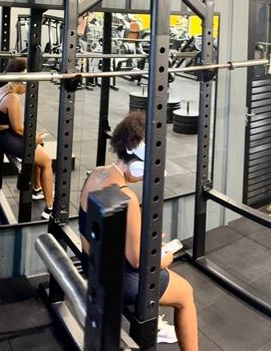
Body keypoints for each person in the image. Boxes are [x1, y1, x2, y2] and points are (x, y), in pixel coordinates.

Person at [80, 112, 197, 349]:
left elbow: (107, 233)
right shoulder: (127, 197)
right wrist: (162, 259)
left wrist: (145, 242)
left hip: (91, 264)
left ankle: (157, 323)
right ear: (138, 163)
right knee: (186, 293)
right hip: (118, 280)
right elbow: (137, 262)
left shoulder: (96, 173)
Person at [0, 57, 54, 218]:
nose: (28, 88)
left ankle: (37, 189)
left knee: (39, 148)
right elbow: (18, 129)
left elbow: (15, 127)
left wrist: (34, 138)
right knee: (47, 161)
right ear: (22, 80)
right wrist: (33, 139)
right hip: (6, 139)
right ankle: (50, 208)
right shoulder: (12, 98)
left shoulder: (3, 89)